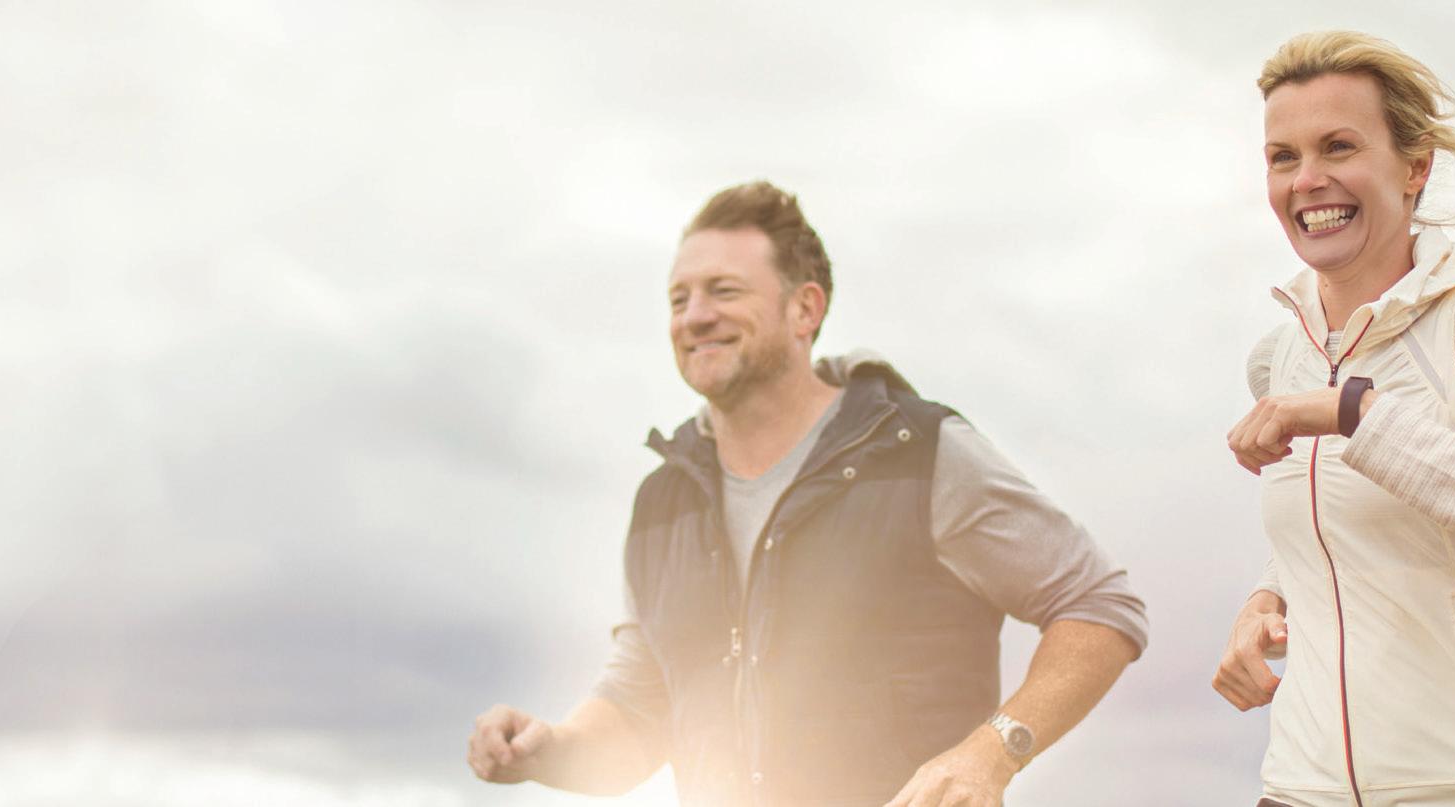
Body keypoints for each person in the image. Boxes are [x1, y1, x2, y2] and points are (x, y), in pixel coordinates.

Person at [466, 180, 1147, 806]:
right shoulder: (662, 503)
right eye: (678, 299)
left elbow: (1098, 604)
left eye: (723, 291)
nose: (694, 316)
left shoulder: (920, 451)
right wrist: (549, 750)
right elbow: (641, 709)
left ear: (805, 308)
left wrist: (991, 753)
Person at [1215, 31, 1455, 807]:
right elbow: (1336, 527)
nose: (1308, 180)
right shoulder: (1280, 356)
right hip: (1298, 786)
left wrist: (1357, 412)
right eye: (1283, 157)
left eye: (1338, 147)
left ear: (1416, 168)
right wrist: (1267, 599)